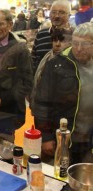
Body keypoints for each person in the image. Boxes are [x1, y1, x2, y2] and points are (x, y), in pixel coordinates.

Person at [33, 22, 93, 164]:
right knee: (60, 175)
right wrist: (46, 137)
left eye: (84, 44)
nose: (78, 49)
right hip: (63, 137)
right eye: (75, 43)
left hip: (89, 139)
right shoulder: (57, 64)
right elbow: (42, 103)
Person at [30, 28, 73, 118]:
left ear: (70, 43)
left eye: (62, 41)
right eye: (54, 40)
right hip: (42, 111)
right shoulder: (46, 58)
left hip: (62, 113)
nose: (57, 44)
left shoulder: (72, 63)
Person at [31, 0, 73, 73]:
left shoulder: (76, 36)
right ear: (49, 15)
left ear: (69, 16)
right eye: (53, 12)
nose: (56, 16)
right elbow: (33, 61)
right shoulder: (41, 34)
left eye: (62, 12)